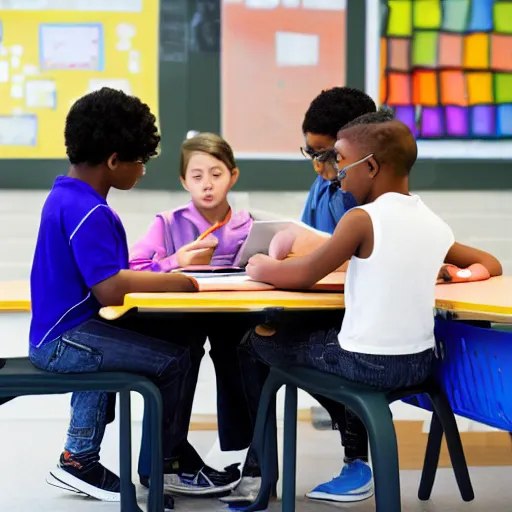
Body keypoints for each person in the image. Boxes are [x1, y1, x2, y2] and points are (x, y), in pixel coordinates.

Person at [242, 112, 502, 502]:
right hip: (418, 363)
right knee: (314, 339)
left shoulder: (361, 219)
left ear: (372, 166)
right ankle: (349, 440)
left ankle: (262, 475)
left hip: (364, 363)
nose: (339, 176)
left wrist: (263, 266)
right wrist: (451, 274)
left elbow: (302, 275)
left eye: (342, 165)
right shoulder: (432, 222)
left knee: (259, 340)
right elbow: (490, 263)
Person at [29, 87, 202, 503]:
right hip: (65, 340)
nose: (142, 170)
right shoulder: (89, 210)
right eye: (140, 161)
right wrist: (177, 281)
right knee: (174, 360)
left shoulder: (68, 196)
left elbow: (108, 276)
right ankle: (162, 465)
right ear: (113, 161)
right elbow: (108, 289)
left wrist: (164, 269)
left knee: (174, 336)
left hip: (66, 331)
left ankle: (82, 455)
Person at [129, 132, 254, 496]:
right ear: (184, 181)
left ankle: (247, 456)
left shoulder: (248, 224)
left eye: (216, 174)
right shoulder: (167, 222)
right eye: (197, 176)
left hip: (231, 314)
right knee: (182, 355)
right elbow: (134, 266)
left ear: (233, 175)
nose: (207, 184)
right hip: (178, 317)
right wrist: (175, 262)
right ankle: (164, 462)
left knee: (244, 354)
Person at [300, 87, 377, 234]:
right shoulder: (321, 187)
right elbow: (304, 234)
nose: (317, 168)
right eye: (312, 153)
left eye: (326, 156)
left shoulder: (376, 203)